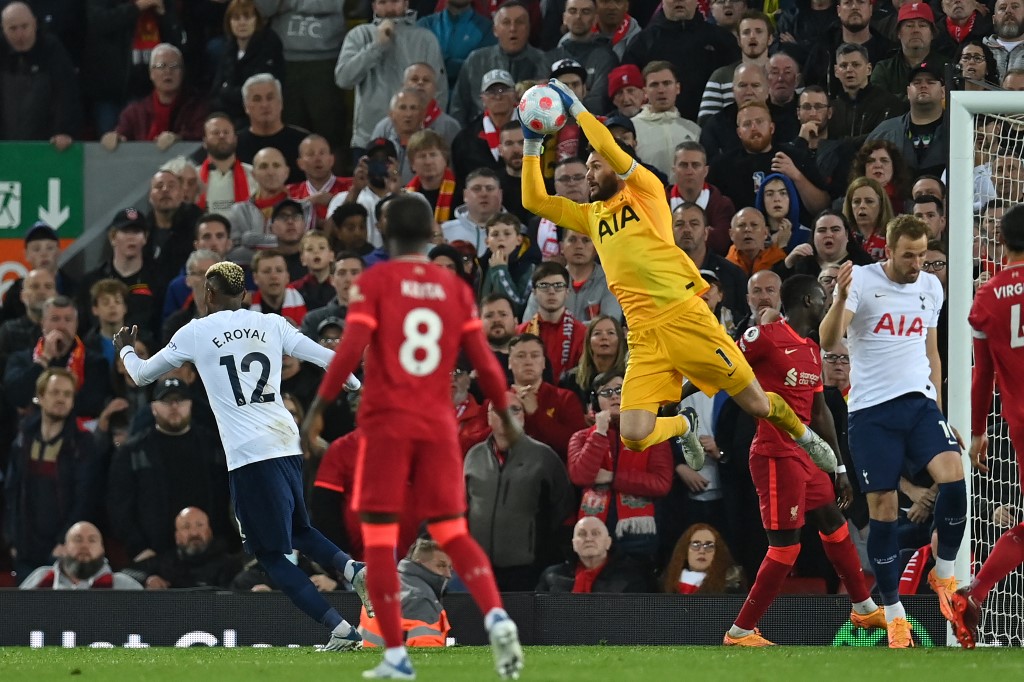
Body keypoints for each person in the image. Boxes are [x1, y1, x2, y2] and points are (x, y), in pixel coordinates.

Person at [522, 78, 837, 474]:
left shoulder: (647, 191)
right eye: (585, 167)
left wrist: (578, 111)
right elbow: (532, 199)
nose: (587, 173)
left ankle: (805, 436)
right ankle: (683, 423)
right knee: (633, 435)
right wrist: (532, 142)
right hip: (642, 335)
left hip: (685, 317)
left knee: (757, 404)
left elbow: (606, 146)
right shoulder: (590, 216)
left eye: (594, 166)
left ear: (614, 167)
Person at [299, 194, 525, 679]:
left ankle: (396, 657)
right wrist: (504, 411)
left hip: (387, 424)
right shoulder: (454, 287)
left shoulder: (376, 281)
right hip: (438, 425)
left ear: (385, 229)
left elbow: (350, 351)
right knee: (452, 532)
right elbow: (485, 361)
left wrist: (317, 409)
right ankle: (497, 616)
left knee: (379, 542)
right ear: (430, 235)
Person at [113, 260, 369, 651]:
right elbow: (328, 358)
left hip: (249, 455)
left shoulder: (196, 332)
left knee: (269, 554)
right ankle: (353, 569)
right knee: (297, 529)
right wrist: (353, 382)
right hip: (286, 442)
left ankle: (339, 630)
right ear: (246, 295)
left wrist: (127, 350)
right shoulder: (272, 323)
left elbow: (143, 375)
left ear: (208, 294)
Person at [819, 215, 967, 648]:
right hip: (871, 412)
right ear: (889, 251)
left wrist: (938, 409)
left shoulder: (931, 287)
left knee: (955, 477)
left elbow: (931, 351)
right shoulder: (862, 281)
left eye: (923, 254)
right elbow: (829, 341)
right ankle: (895, 614)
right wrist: (840, 296)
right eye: (909, 255)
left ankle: (944, 575)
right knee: (883, 508)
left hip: (920, 405)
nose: (918, 263)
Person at [721, 275, 884, 646]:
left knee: (833, 521)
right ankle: (741, 631)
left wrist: (838, 468)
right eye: (823, 298)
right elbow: (722, 365)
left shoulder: (811, 349)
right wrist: (677, 396)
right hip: (775, 453)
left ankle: (862, 606)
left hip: (806, 454)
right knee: (786, 548)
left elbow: (820, 410)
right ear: (809, 300)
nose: (826, 304)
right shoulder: (763, 337)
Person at [953, 203, 1024, 648]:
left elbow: (982, 375)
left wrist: (978, 431)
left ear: (1002, 242)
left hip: (1018, 424)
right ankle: (972, 594)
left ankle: (973, 594)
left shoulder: (986, 298)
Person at [107, 376, 233, 560]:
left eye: (180, 400)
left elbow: (228, 497)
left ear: (190, 405)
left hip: (210, 555)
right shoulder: (132, 452)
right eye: (166, 401)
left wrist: (224, 543)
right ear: (153, 407)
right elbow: (118, 506)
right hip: (154, 556)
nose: (174, 406)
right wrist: (138, 547)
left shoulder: (214, 446)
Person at [4, 368, 101, 581]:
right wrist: (11, 538)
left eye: (67, 394)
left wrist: (65, 541)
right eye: (55, 392)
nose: (61, 399)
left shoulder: (82, 443)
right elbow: (10, 491)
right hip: (25, 549)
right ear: (40, 397)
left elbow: (85, 498)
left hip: (62, 549)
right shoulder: (23, 438)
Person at [568, 371, 673, 559]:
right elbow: (580, 476)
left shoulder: (654, 434)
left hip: (639, 534)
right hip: (594, 533)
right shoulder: (581, 437)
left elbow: (661, 483)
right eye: (606, 392)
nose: (614, 396)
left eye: (620, 390)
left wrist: (612, 477)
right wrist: (599, 433)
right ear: (595, 401)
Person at [335, 0, 447, 158]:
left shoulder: (425, 39)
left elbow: (439, 90)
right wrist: (377, 46)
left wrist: (430, 130)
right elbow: (343, 79)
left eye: (394, 1)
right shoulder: (360, 35)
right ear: (374, 6)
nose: (389, 8)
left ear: (406, 4)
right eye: (382, 2)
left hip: (417, 140)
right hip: (369, 138)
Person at [449, 1, 545, 126]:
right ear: (495, 30)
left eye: (519, 22)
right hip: (480, 135)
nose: (512, 28)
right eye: (506, 23)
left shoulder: (544, 61)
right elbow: (458, 107)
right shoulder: (476, 60)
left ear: (528, 28)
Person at [0, 1, 80, 148]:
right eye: (13, 29)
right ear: (3, 29)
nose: (20, 34)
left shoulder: (52, 49)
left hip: (46, 144)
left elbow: (66, 93)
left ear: (34, 24)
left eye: (24, 26)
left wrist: (64, 130)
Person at [101, 43, 206, 151]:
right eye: (161, 66)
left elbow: (203, 139)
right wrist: (114, 138)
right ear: (151, 73)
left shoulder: (197, 108)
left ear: (182, 72)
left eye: (174, 66)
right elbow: (121, 134)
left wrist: (180, 139)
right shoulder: (134, 112)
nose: (168, 71)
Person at [358, 539, 453, 648]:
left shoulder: (388, 584)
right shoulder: (420, 599)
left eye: (450, 568)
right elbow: (427, 652)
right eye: (441, 566)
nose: (448, 574)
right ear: (419, 562)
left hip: (365, 660)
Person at [209, 0, 285, 127]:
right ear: (229, 22)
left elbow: (255, 94)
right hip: (230, 117)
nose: (242, 23)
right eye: (236, 18)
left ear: (256, 20)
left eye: (247, 17)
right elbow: (216, 92)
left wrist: (227, 91)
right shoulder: (228, 48)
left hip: (257, 119)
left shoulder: (268, 45)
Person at [127, 506, 243, 590]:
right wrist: (147, 579)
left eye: (200, 525)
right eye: (186, 527)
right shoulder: (166, 561)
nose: (194, 533)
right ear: (177, 537)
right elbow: (126, 572)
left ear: (210, 532)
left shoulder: (230, 565)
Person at [866, 63, 948, 177]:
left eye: (930, 82)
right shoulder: (884, 132)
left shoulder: (960, 131)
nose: (923, 86)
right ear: (908, 92)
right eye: (917, 82)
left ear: (943, 92)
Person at [535, 516, 655, 592]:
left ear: (608, 543)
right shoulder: (552, 575)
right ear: (573, 544)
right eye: (582, 534)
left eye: (595, 533)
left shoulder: (632, 577)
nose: (588, 539)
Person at [18, 522, 141, 590]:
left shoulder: (123, 585)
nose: (84, 546)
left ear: (102, 549)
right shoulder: (41, 579)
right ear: (64, 548)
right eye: (78, 540)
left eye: (92, 540)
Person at [630, 61, 701, 178]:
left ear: (677, 88)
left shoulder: (693, 129)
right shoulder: (631, 129)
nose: (661, 90)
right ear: (645, 92)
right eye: (654, 85)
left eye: (666, 83)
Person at [829, 43, 905, 141]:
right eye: (843, 65)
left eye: (856, 65)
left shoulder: (889, 104)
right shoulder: (831, 110)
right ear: (836, 71)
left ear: (869, 69)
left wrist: (844, 144)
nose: (849, 69)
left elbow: (885, 141)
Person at [662, 523, 745, 594]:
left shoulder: (732, 585)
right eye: (695, 545)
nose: (702, 551)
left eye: (709, 546)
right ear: (685, 550)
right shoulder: (666, 582)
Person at [984, 0, 1024, 80]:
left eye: (1015, 7)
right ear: (994, 19)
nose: (1008, 11)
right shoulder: (980, 51)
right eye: (1002, 8)